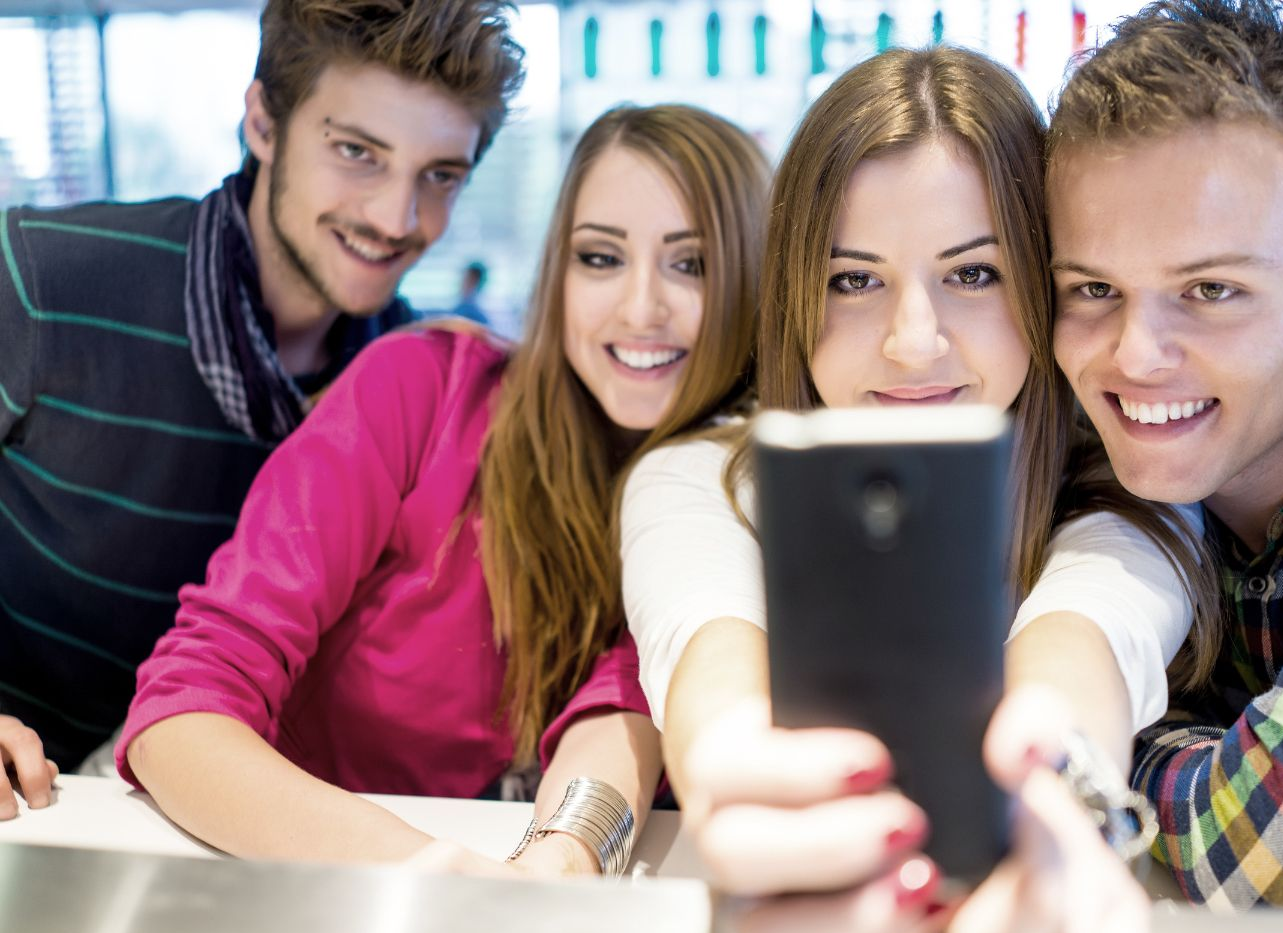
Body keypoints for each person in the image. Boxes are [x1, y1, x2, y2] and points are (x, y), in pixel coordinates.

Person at [621, 47, 1217, 930]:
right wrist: (730, 768)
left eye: (973, 273)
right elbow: (708, 647)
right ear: (793, 293)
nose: (912, 340)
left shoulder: (1129, 488)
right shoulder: (698, 477)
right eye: (853, 279)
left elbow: (1089, 640)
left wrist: (1041, 779)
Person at [114, 104, 771, 876]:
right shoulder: (421, 389)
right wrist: (437, 875)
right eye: (600, 258)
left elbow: (621, 707)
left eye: (689, 264)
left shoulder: (726, 491)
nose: (639, 309)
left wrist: (561, 853)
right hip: (266, 869)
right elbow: (183, 707)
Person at [0, 0, 523, 811]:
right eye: (357, 152)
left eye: (440, 175)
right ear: (263, 123)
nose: (396, 218)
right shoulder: (45, 278)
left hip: (206, 820)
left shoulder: (421, 391)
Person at [1047, 0, 1283, 907]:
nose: (1136, 354)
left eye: (1211, 288)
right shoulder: (1079, 446)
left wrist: (1106, 752)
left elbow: (1274, 847)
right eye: (1095, 287)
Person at [451, 260, 493, 326]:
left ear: (476, 282)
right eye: (463, 279)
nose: (462, 284)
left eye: (467, 280)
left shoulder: (477, 315)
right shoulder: (459, 308)